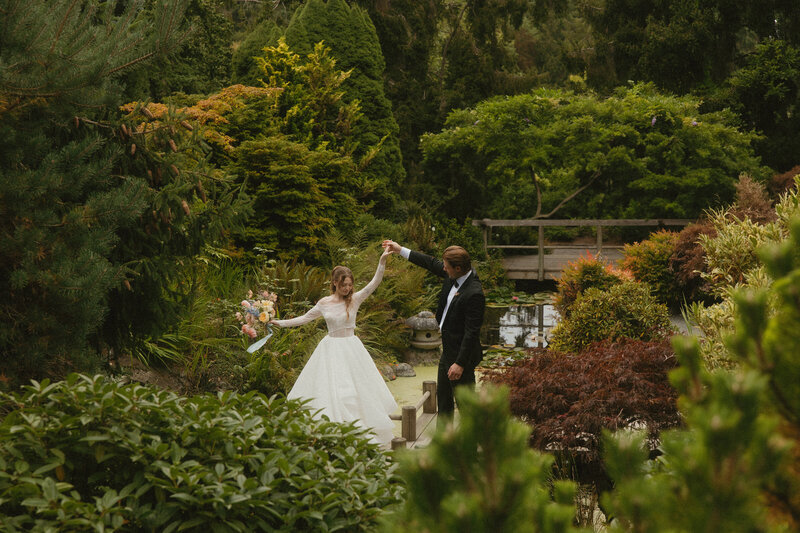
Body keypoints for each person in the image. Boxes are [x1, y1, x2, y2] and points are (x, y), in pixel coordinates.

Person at [269, 246, 398, 447]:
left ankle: (358, 433)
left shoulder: (354, 300)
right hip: (330, 349)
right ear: (335, 283)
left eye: (350, 284)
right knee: (330, 391)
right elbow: (305, 318)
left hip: (352, 349)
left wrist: (381, 262)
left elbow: (374, 284)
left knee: (355, 391)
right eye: (344, 284)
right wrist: (280, 323)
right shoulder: (324, 303)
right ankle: (331, 435)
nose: (348, 288)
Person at [381, 240, 485, 418]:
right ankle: (443, 443)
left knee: (466, 407)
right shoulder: (453, 274)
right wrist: (400, 250)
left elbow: (471, 333)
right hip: (447, 350)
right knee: (443, 403)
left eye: (446, 266)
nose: (443, 269)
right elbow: (429, 262)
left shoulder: (474, 293)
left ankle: (470, 445)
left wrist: (459, 364)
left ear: (458, 268)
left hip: (463, 357)